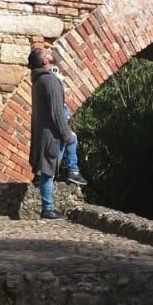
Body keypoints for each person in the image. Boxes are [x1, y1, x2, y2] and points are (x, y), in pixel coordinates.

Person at [28, 47, 74, 220]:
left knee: (48, 168)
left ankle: (73, 169)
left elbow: (54, 109)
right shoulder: (49, 80)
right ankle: (47, 209)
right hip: (51, 134)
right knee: (48, 171)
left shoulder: (39, 80)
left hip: (45, 132)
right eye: (46, 53)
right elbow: (56, 112)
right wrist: (65, 133)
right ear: (45, 61)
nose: (50, 52)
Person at [51, 53, 87, 187]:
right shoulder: (56, 100)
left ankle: (71, 171)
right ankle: (69, 171)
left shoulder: (59, 101)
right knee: (69, 138)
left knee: (71, 136)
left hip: (56, 132)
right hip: (55, 135)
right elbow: (58, 119)